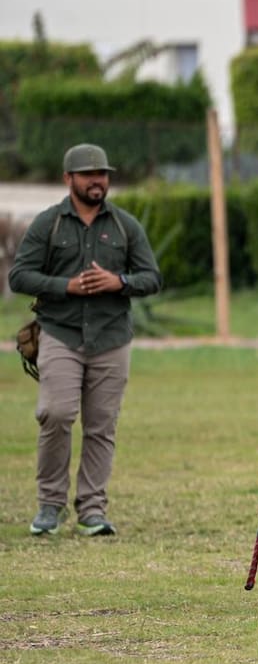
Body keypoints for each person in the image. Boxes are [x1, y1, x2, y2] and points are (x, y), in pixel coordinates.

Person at [8, 143, 163, 537]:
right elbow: (19, 276)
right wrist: (66, 286)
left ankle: (92, 510)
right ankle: (50, 505)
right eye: (88, 174)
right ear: (68, 178)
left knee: (101, 426)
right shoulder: (48, 223)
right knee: (55, 413)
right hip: (60, 333)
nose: (97, 181)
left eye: (102, 174)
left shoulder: (125, 225)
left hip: (112, 338)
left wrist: (119, 282)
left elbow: (152, 278)